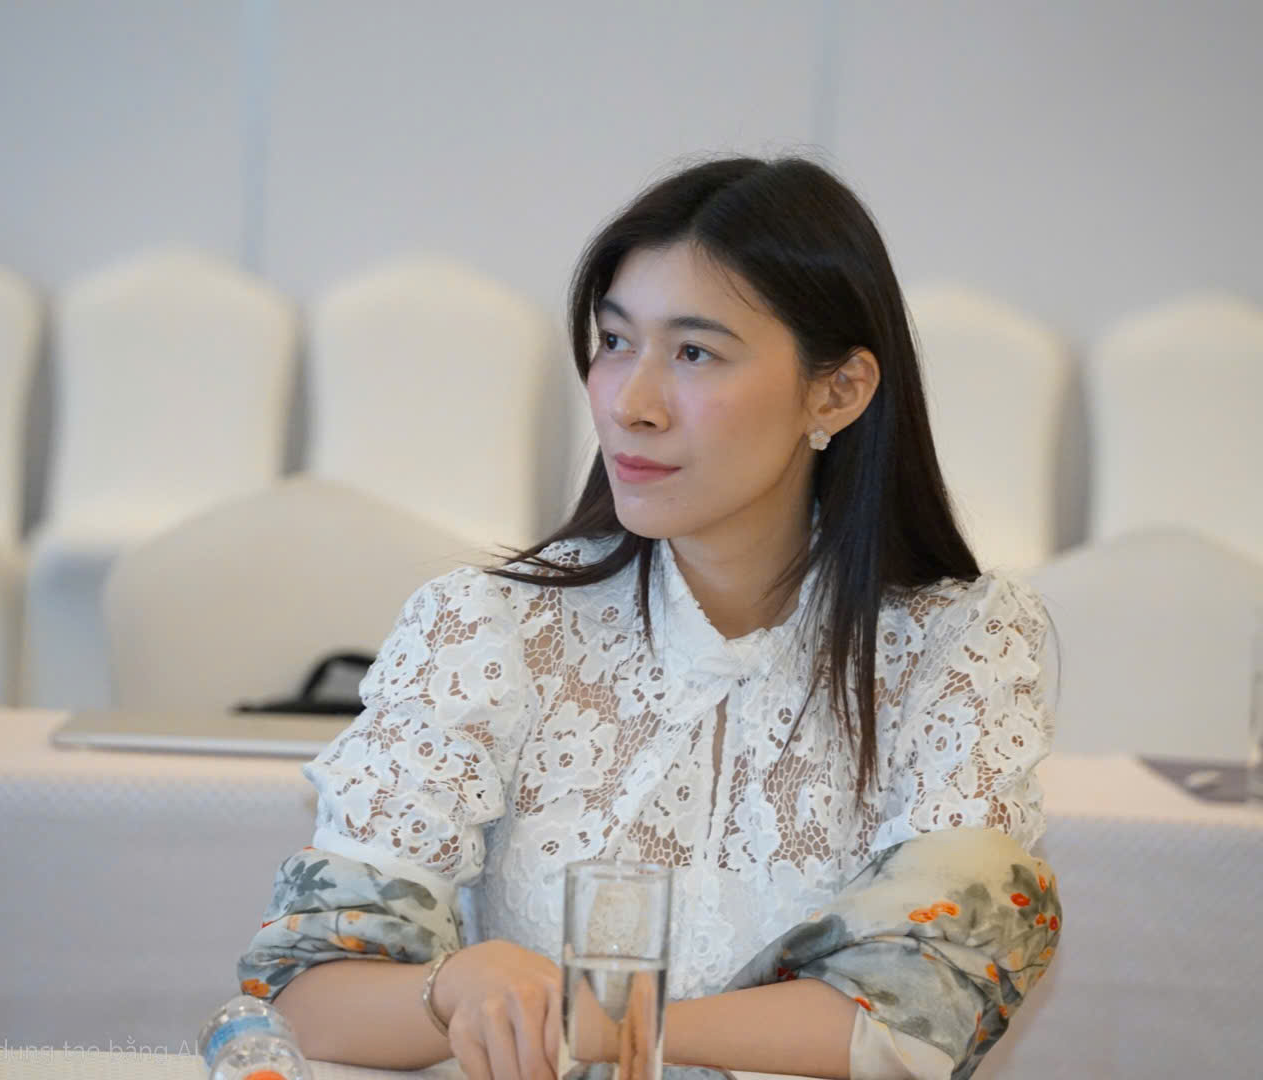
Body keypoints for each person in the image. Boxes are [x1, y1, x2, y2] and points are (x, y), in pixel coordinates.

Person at [238, 156, 1061, 1080]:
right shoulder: (486, 629)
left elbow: (923, 1010)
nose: (630, 404)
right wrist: (453, 987)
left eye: (694, 353)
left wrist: (596, 1028)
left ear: (837, 391)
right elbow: (307, 995)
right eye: (615, 341)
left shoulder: (960, 645)